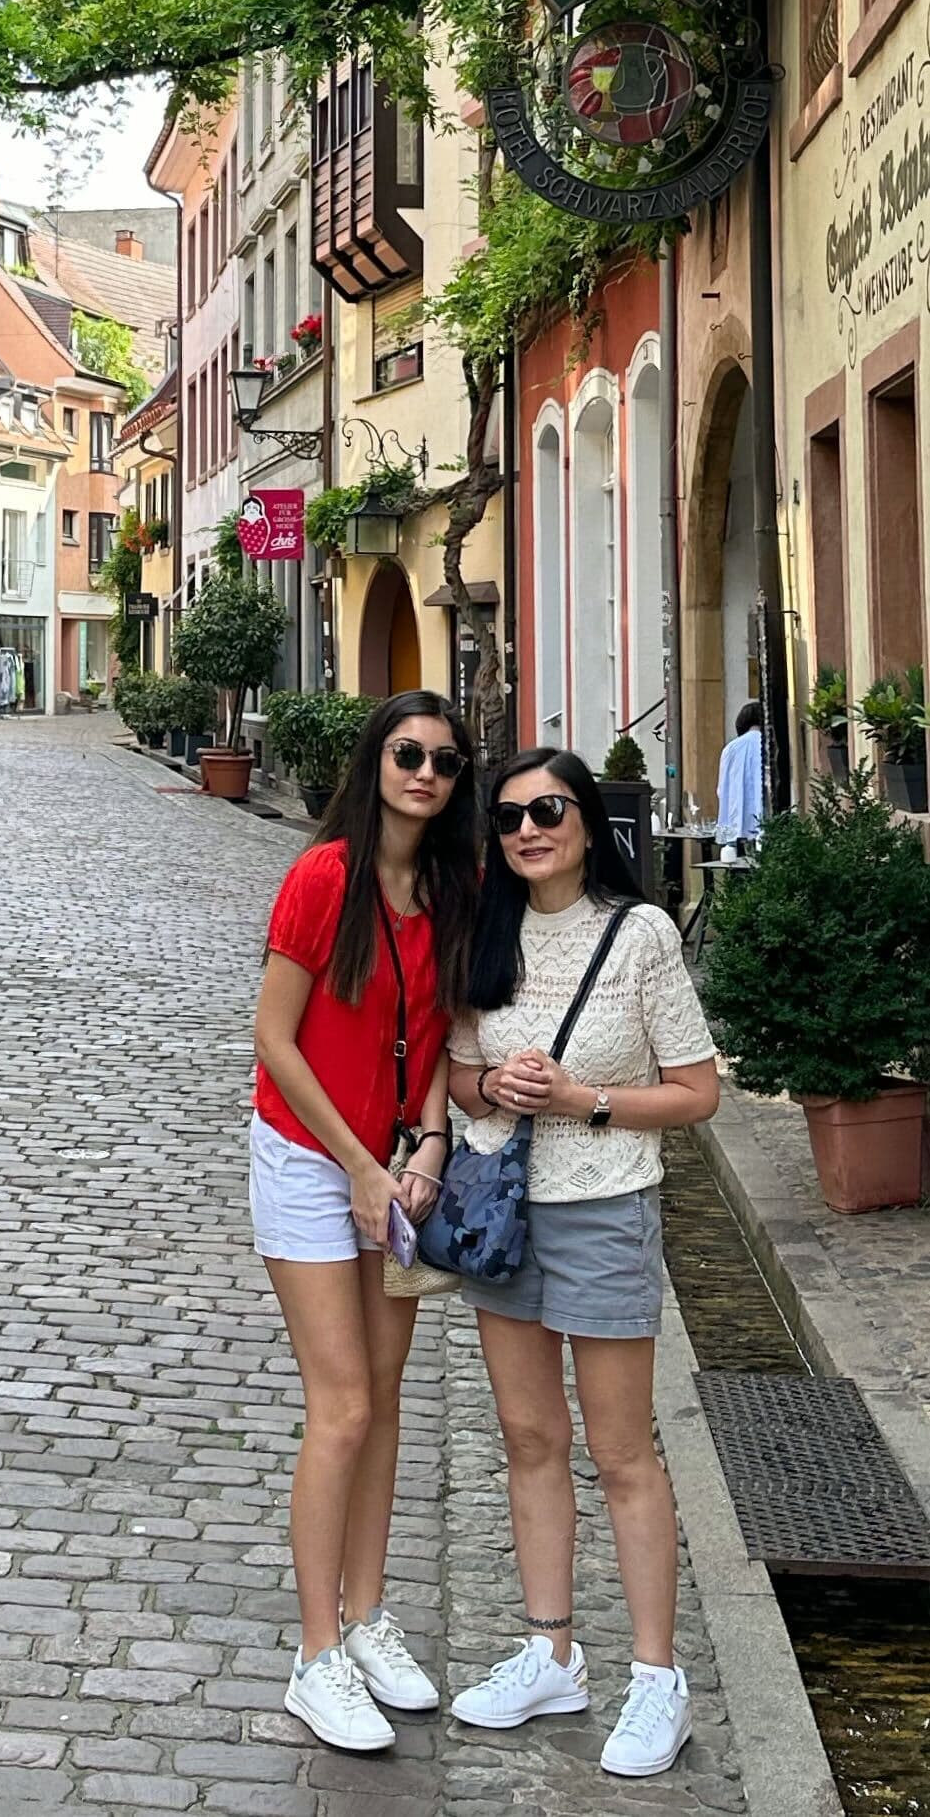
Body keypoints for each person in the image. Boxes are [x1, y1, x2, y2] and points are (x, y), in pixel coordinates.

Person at [447, 747, 718, 1779]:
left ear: (585, 820)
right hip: (503, 1213)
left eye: (548, 809)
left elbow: (696, 1092)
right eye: (510, 817)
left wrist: (583, 1101)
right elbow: (456, 1070)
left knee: (621, 1451)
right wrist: (494, 1091)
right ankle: (551, 1650)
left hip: (605, 1210)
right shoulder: (485, 927)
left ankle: (658, 1677)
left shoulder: (639, 933)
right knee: (527, 1436)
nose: (528, 830)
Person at [251, 691, 480, 1752]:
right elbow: (275, 1041)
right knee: (341, 1404)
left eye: (443, 758)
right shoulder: (324, 878)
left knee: (386, 1400)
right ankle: (314, 1656)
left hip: (395, 1169)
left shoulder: (451, 886)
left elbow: (433, 1039)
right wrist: (354, 1163)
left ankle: (368, 1617)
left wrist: (426, 1149)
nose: (424, 771)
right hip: (306, 1159)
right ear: (375, 760)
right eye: (407, 752)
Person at [715, 700, 763, 849]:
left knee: (734, 862)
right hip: (764, 820)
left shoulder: (731, 748)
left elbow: (722, 789)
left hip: (735, 820)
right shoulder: (769, 743)